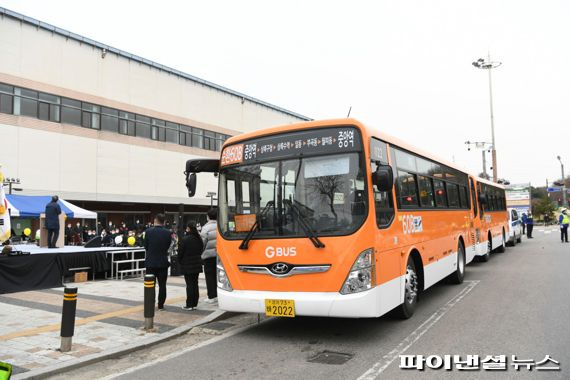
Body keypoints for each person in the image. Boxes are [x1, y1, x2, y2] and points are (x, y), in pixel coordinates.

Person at [144, 213, 172, 310]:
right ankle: (161, 304)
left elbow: (146, 246)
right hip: (163, 262)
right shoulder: (168, 233)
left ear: (155, 220)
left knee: (150, 285)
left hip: (150, 262)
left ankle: (150, 303)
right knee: (162, 285)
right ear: (164, 222)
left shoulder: (148, 232)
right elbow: (168, 246)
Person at [178, 221, 204, 310]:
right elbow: (201, 249)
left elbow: (180, 253)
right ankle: (194, 303)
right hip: (197, 264)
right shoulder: (198, 238)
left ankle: (189, 304)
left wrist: (180, 261)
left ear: (188, 228)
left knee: (189, 285)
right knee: (195, 284)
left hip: (187, 265)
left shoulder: (185, 239)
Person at [201, 208, 218, 303]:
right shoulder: (221, 226)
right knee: (218, 275)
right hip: (219, 256)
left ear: (208, 217)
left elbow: (202, 242)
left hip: (208, 256)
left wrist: (201, 253)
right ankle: (218, 294)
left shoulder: (205, 228)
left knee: (209, 276)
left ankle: (211, 296)